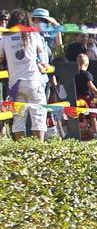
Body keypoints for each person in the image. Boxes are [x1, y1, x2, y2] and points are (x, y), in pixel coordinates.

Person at [1, 12, 51, 140]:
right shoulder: (34, 35)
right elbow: (43, 57)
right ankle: (38, 150)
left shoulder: (5, 38)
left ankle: (21, 151)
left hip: (15, 83)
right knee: (38, 116)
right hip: (33, 80)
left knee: (18, 119)